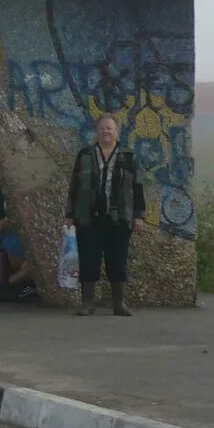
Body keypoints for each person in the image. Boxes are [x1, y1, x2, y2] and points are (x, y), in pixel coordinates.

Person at [66, 113, 146, 316]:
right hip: (88, 217)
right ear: (97, 131)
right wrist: (70, 213)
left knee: (118, 259)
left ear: (117, 132)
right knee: (88, 259)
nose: (106, 132)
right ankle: (87, 303)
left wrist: (139, 215)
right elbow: (74, 186)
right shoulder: (85, 155)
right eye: (102, 128)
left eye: (110, 128)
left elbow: (138, 188)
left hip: (119, 219)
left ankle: (119, 304)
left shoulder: (129, 157)